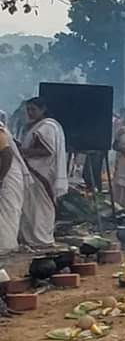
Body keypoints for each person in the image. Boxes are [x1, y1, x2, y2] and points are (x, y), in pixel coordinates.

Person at [18, 97, 68, 248]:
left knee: (41, 207)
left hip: (42, 173)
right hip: (34, 172)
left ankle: (41, 238)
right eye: (28, 110)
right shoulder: (35, 126)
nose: (30, 113)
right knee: (32, 208)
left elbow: (47, 150)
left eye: (33, 109)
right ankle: (32, 238)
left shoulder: (47, 126)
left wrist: (22, 151)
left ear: (42, 109)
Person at [0, 112, 29, 253]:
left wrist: (1, 178)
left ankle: (6, 245)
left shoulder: (1, 134)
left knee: (7, 211)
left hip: (7, 178)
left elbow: (7, 154)